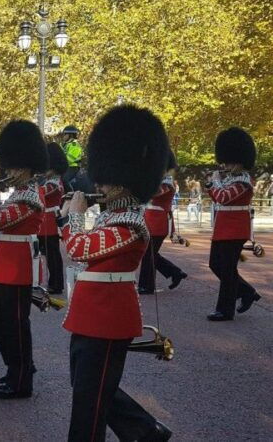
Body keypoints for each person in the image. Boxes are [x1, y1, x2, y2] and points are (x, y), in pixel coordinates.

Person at [58, 105, 171, 442]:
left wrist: (74, 217)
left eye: (106, 182)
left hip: (108, 318)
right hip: (91, 313)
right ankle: (145, 430)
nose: (100, 186)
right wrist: (70, 218)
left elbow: (79, 250)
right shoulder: (112, 215)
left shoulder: (132, 223)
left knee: (89, 404)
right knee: (87, 387)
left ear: (123, 182)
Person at [0, 120, 48, 399]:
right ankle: (19, 366)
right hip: (5, 264)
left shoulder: (29, 196)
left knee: (16, 323)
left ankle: (21, 379)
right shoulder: (20, 193)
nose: (8, 171)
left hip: (19, 266)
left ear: (26, 167)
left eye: (13, 167)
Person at [206, 127, 260, 321]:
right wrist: (214, 184)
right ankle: (247, 292)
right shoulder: (231, 179)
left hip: (235, 229)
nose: (225, 165)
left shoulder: (243, 181)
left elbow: (222, 198)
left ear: (239, 162)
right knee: (215, 265)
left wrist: (213, 183)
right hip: (224, 228)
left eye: (229, 161)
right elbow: (219, 198)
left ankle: (225, 310)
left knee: (228, 271)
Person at [139, 151, 188, 294]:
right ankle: (175, 272)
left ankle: (146, 286)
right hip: (149, 220)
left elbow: (154, 193)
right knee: (149, 253)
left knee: (148, 254)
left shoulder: (167, 182)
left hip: (158, 222)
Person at [39, 142, 67, 295]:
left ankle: (56, 284)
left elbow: (41, 193)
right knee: (50, 255)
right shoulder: (53, 181)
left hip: (49, 222)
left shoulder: (53, 183)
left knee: (52, 256)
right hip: (46, 221)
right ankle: (54, 282)